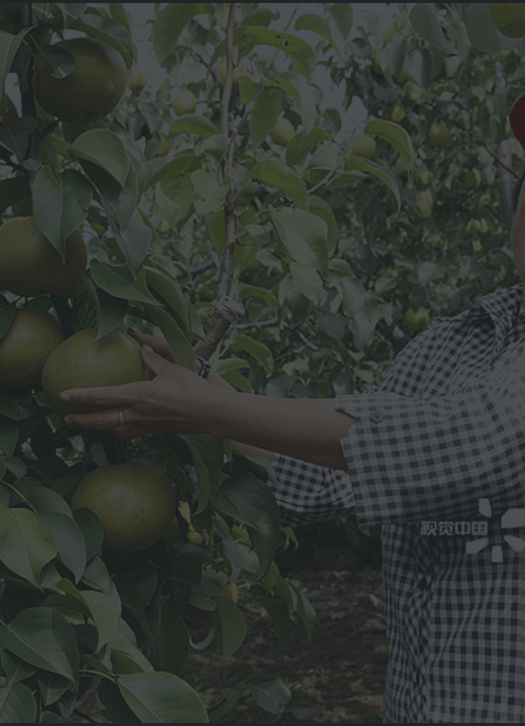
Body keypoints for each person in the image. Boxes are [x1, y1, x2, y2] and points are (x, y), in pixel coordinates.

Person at [61, 96, 525, 724]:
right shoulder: (451, 344)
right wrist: (204, 389)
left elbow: (473, 446)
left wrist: (209, 410)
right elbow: (338, 470)